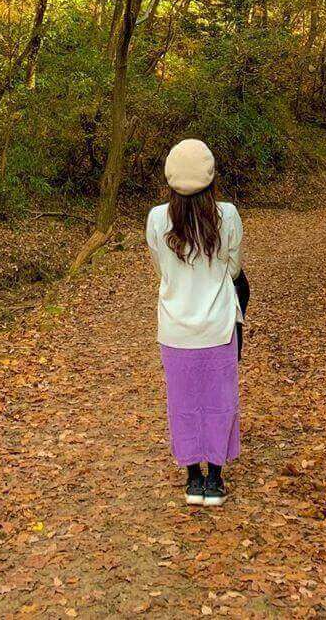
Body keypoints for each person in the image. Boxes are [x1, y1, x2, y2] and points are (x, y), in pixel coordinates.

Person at [146, 139, 243, 507]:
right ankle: (215, 480)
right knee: (220, 400)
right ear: (211, 177)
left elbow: (159, 268)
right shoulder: (227, 216)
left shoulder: (157, 218)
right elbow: (234, 267)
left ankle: (192, 480)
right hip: (218, 324)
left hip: (175, 326)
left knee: (183, 401)